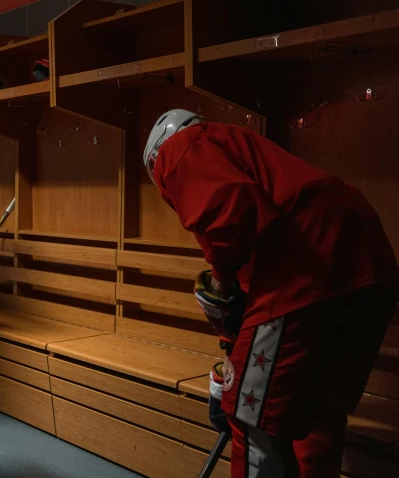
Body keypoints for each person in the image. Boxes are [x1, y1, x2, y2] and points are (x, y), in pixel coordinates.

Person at [143, 110, 398, 478]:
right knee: (316, 415)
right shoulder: (245, 152)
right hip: (370, 269)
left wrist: (219, 285)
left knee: (250, 417)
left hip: (304, 269)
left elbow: (231, 216)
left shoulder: (181, 147)